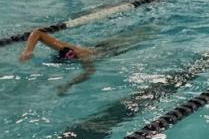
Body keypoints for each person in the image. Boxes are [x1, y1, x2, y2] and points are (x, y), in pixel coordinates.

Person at [19, 27, 149, 94]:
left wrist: (69, 84)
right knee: (139, 33)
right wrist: (28, 51)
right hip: (101, 45)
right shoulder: (71, 49)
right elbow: (37, 33)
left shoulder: (82, 57)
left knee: (143, 36)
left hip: (111, 50)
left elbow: (89, 72)